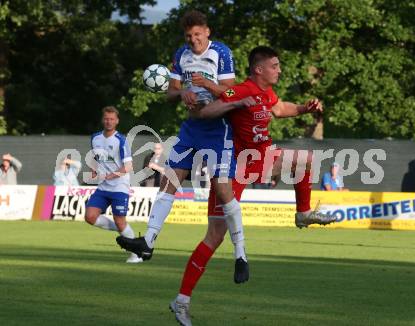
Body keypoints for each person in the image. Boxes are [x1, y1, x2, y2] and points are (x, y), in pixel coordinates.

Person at [170, 46, 337, 325]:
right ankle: (181, 300)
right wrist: (233, 104)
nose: (279, 69)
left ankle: (303, 213)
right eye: (275, 65)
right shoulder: (241, 89)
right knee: (214, 236)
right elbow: (208, 110)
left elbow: (280, 108)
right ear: (258, 69)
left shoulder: (266, 92)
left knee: (306, 160)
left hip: (263, 158)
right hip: (234, 166)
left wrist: (305, 109)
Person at [116, 10, 247, 285]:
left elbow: (233, 93)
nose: (193, 40)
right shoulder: (181, 54)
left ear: (207, 32)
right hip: (191, 129)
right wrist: (182, 92)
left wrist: (207, 85)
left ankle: (240, 255)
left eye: (198, 34)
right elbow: (170, 93)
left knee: (223, 191)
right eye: (189, 36)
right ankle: (148, 242)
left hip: (218, 130)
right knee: (169, 181)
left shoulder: (221, 52)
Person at [84, 106, 142, 264]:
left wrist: (112, 174)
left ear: (117, 121)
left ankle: (136, 254)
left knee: (120, 220)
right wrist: (94, 171)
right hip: (103, 187)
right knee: (90, 217)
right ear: (103, 120)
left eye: (112, 119)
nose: (109, 121)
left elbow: (128, 167)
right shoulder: (95, 138)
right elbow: (96, 158)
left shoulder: (121, 141)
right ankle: (123, 230)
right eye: (106, 118)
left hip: (119, 187)